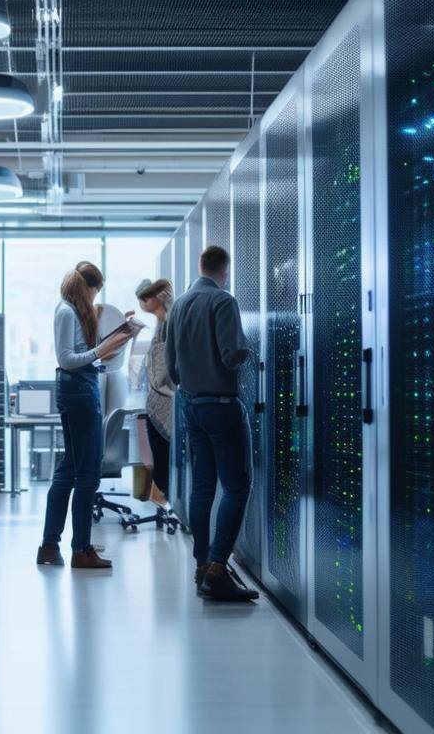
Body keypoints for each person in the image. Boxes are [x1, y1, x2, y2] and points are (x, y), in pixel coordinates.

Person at [165, 246, 260, 601]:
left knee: (202, 488)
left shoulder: (180, 305)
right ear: (225, 269)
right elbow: (231, 354)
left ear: (201, 265)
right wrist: (250, 348)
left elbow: (171, 367)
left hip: (190, 405)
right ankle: (219, 568)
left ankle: (202, 564)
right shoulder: (223, 301)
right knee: (237, 487)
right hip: (221, 405)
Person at [37, 261, 133, 570]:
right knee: (88, 473)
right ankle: (81, 549)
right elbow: (66, 359)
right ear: (87, 288)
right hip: (78, 391)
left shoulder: (72, 311)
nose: (94, 300)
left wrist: (115, 337)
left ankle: (50, 546)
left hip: (80, 387)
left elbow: (83, 356)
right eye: (94, 294)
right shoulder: (66, 311)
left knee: (69, 469)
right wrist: (100, 351)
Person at [135, 278, 175, 505]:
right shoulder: (160, 324)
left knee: (162, 462)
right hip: (156, 403)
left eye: (145, 297)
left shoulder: (169, 324)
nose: (141, 302)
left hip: (166, 404)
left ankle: (165, 504)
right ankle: (162, 503)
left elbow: (163, 370)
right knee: (159, 461)